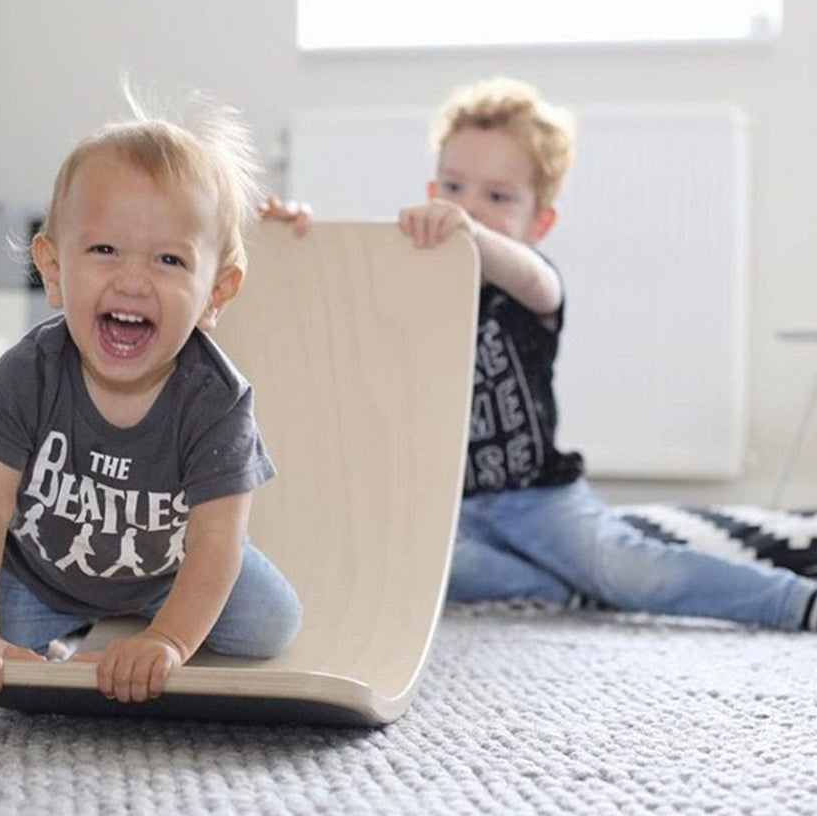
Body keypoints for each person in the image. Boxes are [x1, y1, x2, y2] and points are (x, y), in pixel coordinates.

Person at [263, 76, 817, 633]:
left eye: (497, 197)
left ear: (539, 223)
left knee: (630, 571)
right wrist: (292, 240)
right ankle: (559, 589)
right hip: (447, 507)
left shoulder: (530, 285)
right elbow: (334, 290)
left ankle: (793, 600)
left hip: (537, 497)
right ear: (433, 193)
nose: (470, 208)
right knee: (405, 568)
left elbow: (534, 280)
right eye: (454, 188)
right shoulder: (412, 280)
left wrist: (473, 237)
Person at [0, 94, 303, 706]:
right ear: (54, 269)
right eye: (104, 250)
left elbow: (216, 541)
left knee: (274, 623)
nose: (133, 280)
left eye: (169, 259)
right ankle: (67, 625)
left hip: (168, 575)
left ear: (216, 293)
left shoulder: (218, 400)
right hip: (44, 577)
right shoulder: (27, 374)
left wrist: (168, 641)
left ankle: (138, 623)